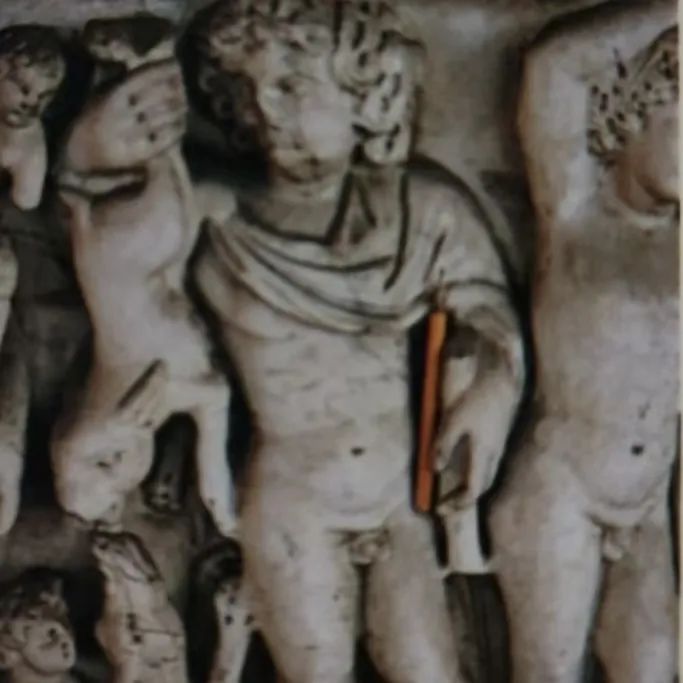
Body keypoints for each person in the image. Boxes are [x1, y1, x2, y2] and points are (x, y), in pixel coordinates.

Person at [59, 1, 526, 680]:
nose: (266, 107)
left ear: (365, 93)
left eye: (290, 84)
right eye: (245, 88)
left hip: (400, 498)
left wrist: (492, 384)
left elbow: (489, 312)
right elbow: (110, 230)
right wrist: (92, 149)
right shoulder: (219, 211)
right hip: (293, 500)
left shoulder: (424, 208)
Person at [490, 2, 678, 681]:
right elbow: (554, 65)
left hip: (647, 504)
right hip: (561, 492)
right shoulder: (574, 211)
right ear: (631, 115)